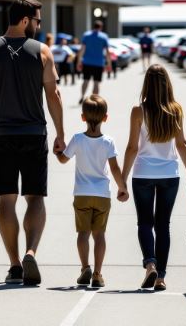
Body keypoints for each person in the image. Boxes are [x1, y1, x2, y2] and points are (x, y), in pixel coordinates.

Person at [0, 0, 66, 285]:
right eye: (37, 20)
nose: (39, 25)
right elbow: (53, 95)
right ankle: (31, 251)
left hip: (0, 136)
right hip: (34, 134)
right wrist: (61, 133)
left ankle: (14, 265)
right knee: (35, 197)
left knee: (6, 200)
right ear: (25, 20)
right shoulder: (43, 52)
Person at [122, 64, 186, 291]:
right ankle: (161, 277)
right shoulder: (176, 110)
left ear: (147, 84)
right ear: (167, 84)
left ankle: (150, 265)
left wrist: (122, 180)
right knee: (163, 225)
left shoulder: (138, 111)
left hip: (143, 173)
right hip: (169, 174)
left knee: (145, 222)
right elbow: (181, 144)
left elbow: (132, 147)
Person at [56, 95, 128, 287]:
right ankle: (97, 274)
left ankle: (84, 268)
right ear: (106, 117)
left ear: (83, 118)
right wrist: (122, 188)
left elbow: (63, 159)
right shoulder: (108, 142)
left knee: (82, 234)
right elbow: (114, 168)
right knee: (99, 235)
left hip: (82, 194)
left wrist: (57, 152)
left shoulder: (78, 139)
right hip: (102, 194)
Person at [77, 20, 111, 104]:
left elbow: (82, 49)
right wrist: (109, 64)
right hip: (99, 63)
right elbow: (107, 52)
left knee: (85, 80)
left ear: (93, 26)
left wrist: (78, 61)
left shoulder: (86, 35)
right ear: (101, 27)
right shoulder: (104, 36)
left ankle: (82, 96)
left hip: (87, 62)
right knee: (96, 82)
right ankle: (94, 100)